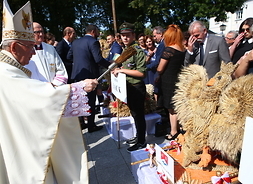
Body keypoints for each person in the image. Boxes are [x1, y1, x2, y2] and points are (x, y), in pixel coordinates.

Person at [0, 1, 98, 183]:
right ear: (14, 47)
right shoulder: (4, 72)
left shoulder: (10, 67)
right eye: (29, 47)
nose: (33, 53)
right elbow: (34, 101)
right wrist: (79, 88)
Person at [67, 24, 111, 133]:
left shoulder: (76, 42)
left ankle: (82, 123)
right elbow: (98, 59)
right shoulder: (93, 42)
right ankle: (91, 125)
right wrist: (110, 65)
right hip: (90, 75)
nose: (98, 34)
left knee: (80, 99)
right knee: (90, 101)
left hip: (77, 75)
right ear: (93, 32)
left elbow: (69, 56)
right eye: (97, 31)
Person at [112, 22, 147, 152]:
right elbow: (126, 67)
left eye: (128, 35)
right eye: (123, 35)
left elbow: (141, 73)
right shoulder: (125, 50)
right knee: (134, 114)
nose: (125, 38)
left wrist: (122, 71)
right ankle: (138, 136)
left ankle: (142, 141)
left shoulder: (137, 51)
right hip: (128, 87)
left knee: (138, 115)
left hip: (136, 87)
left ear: (133, 35)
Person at [156, 24, 186, 140]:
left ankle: (173, 132)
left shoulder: (169, 50)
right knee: (177, 106)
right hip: (179, 80)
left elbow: (160, 68)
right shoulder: (182, 49)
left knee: (171, 108)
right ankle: (179, 129)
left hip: (168, 82)